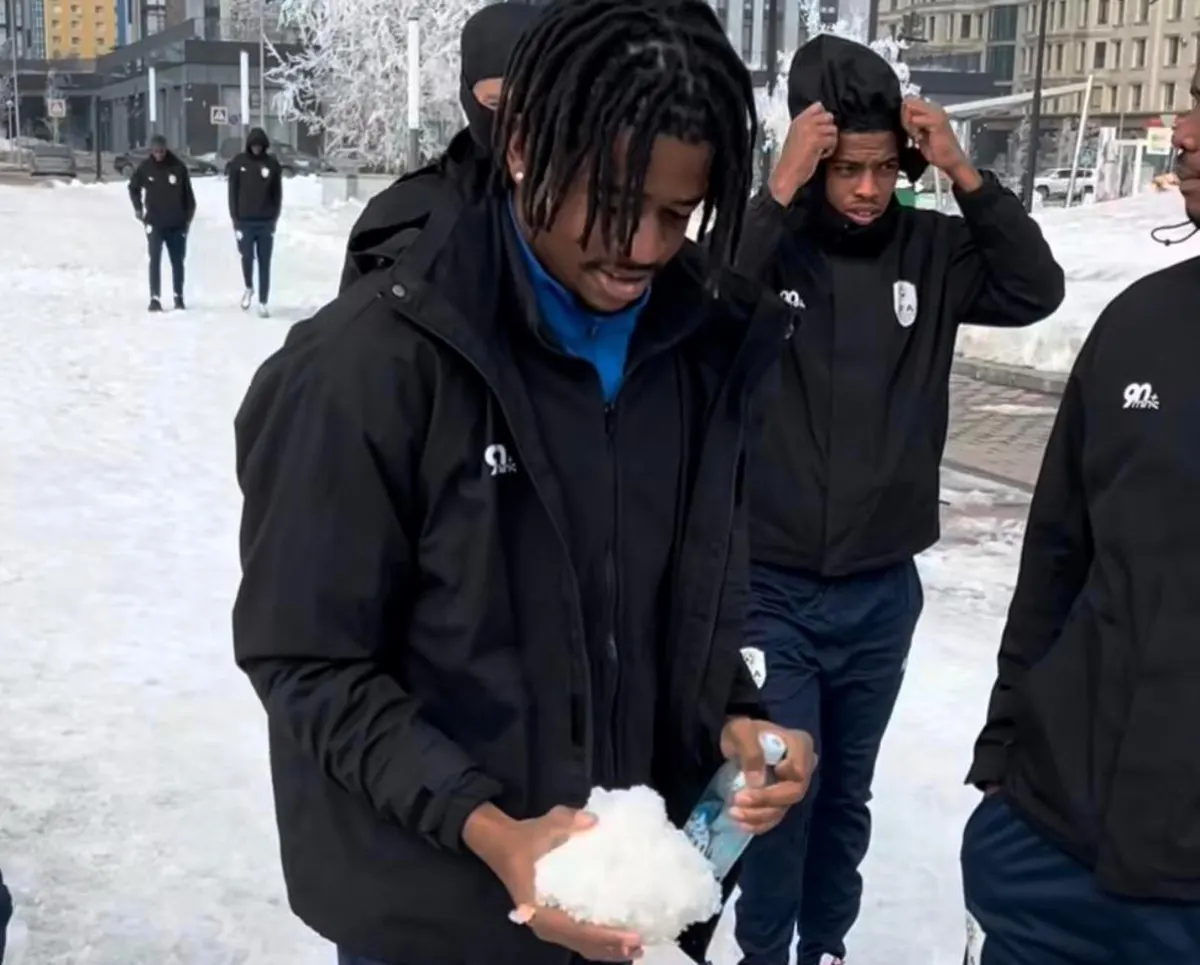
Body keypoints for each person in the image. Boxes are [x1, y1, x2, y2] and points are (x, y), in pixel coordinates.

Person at [232, 1, 820, 963]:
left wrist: (736, 720)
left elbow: (657, 604)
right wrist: (489, 828)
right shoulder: (365, 369)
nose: (642, 249)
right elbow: (307, 660)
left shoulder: (697, 353)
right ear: (520, 149)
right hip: (437, 921)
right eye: (614, 205)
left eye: (676, 215)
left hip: (629, 912)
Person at [731, 35, 1065, 965]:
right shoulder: (772, 248)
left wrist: (964, 172)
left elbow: (1036, 288)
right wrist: (776, 191)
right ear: (813, 160)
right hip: (773, 589)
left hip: (881, 592)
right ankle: (761, 953)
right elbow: (703, 312)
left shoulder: (934, 250)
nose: (869, 189)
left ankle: (825, 946)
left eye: (884, 169)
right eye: (847, 169)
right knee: (778, 787)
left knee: (845, 794)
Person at [960, 77, 1200, 965]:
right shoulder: (1140, 323)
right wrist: (1005, 754)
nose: (1184, 132)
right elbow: (1056, 557)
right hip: (1053, 848)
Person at [338, 1, 541, 293]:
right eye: (496, 103)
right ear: (468, 96)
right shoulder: (403, 219)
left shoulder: (600, 210)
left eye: (535, 103)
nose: (517, 125)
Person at [127, 133, 195, 312]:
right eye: (156, 151)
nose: (159, 154)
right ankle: (155, 298)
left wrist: (186, 221)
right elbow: (133, 187)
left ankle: (178, 297)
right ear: (151, 151)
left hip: (176, 225)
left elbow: (189, 198)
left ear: (166, 149)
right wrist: (138, 208)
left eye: (161, 151)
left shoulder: (178, 167)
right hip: (155, 223)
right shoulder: (146, 168)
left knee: (177, 262)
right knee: (155, 259)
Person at [227, 126, 283, 317]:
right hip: (244, 222)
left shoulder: (272, 164)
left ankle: (263, 301)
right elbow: (232, 193)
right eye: (253, 145)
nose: (256, 148)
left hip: (265, 222)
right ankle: (249, 286)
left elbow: (277, 194)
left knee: (265, 262)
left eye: (259, 145)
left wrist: (274, 218)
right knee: (247, 257)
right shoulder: (239, 163)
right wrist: (235, 220)